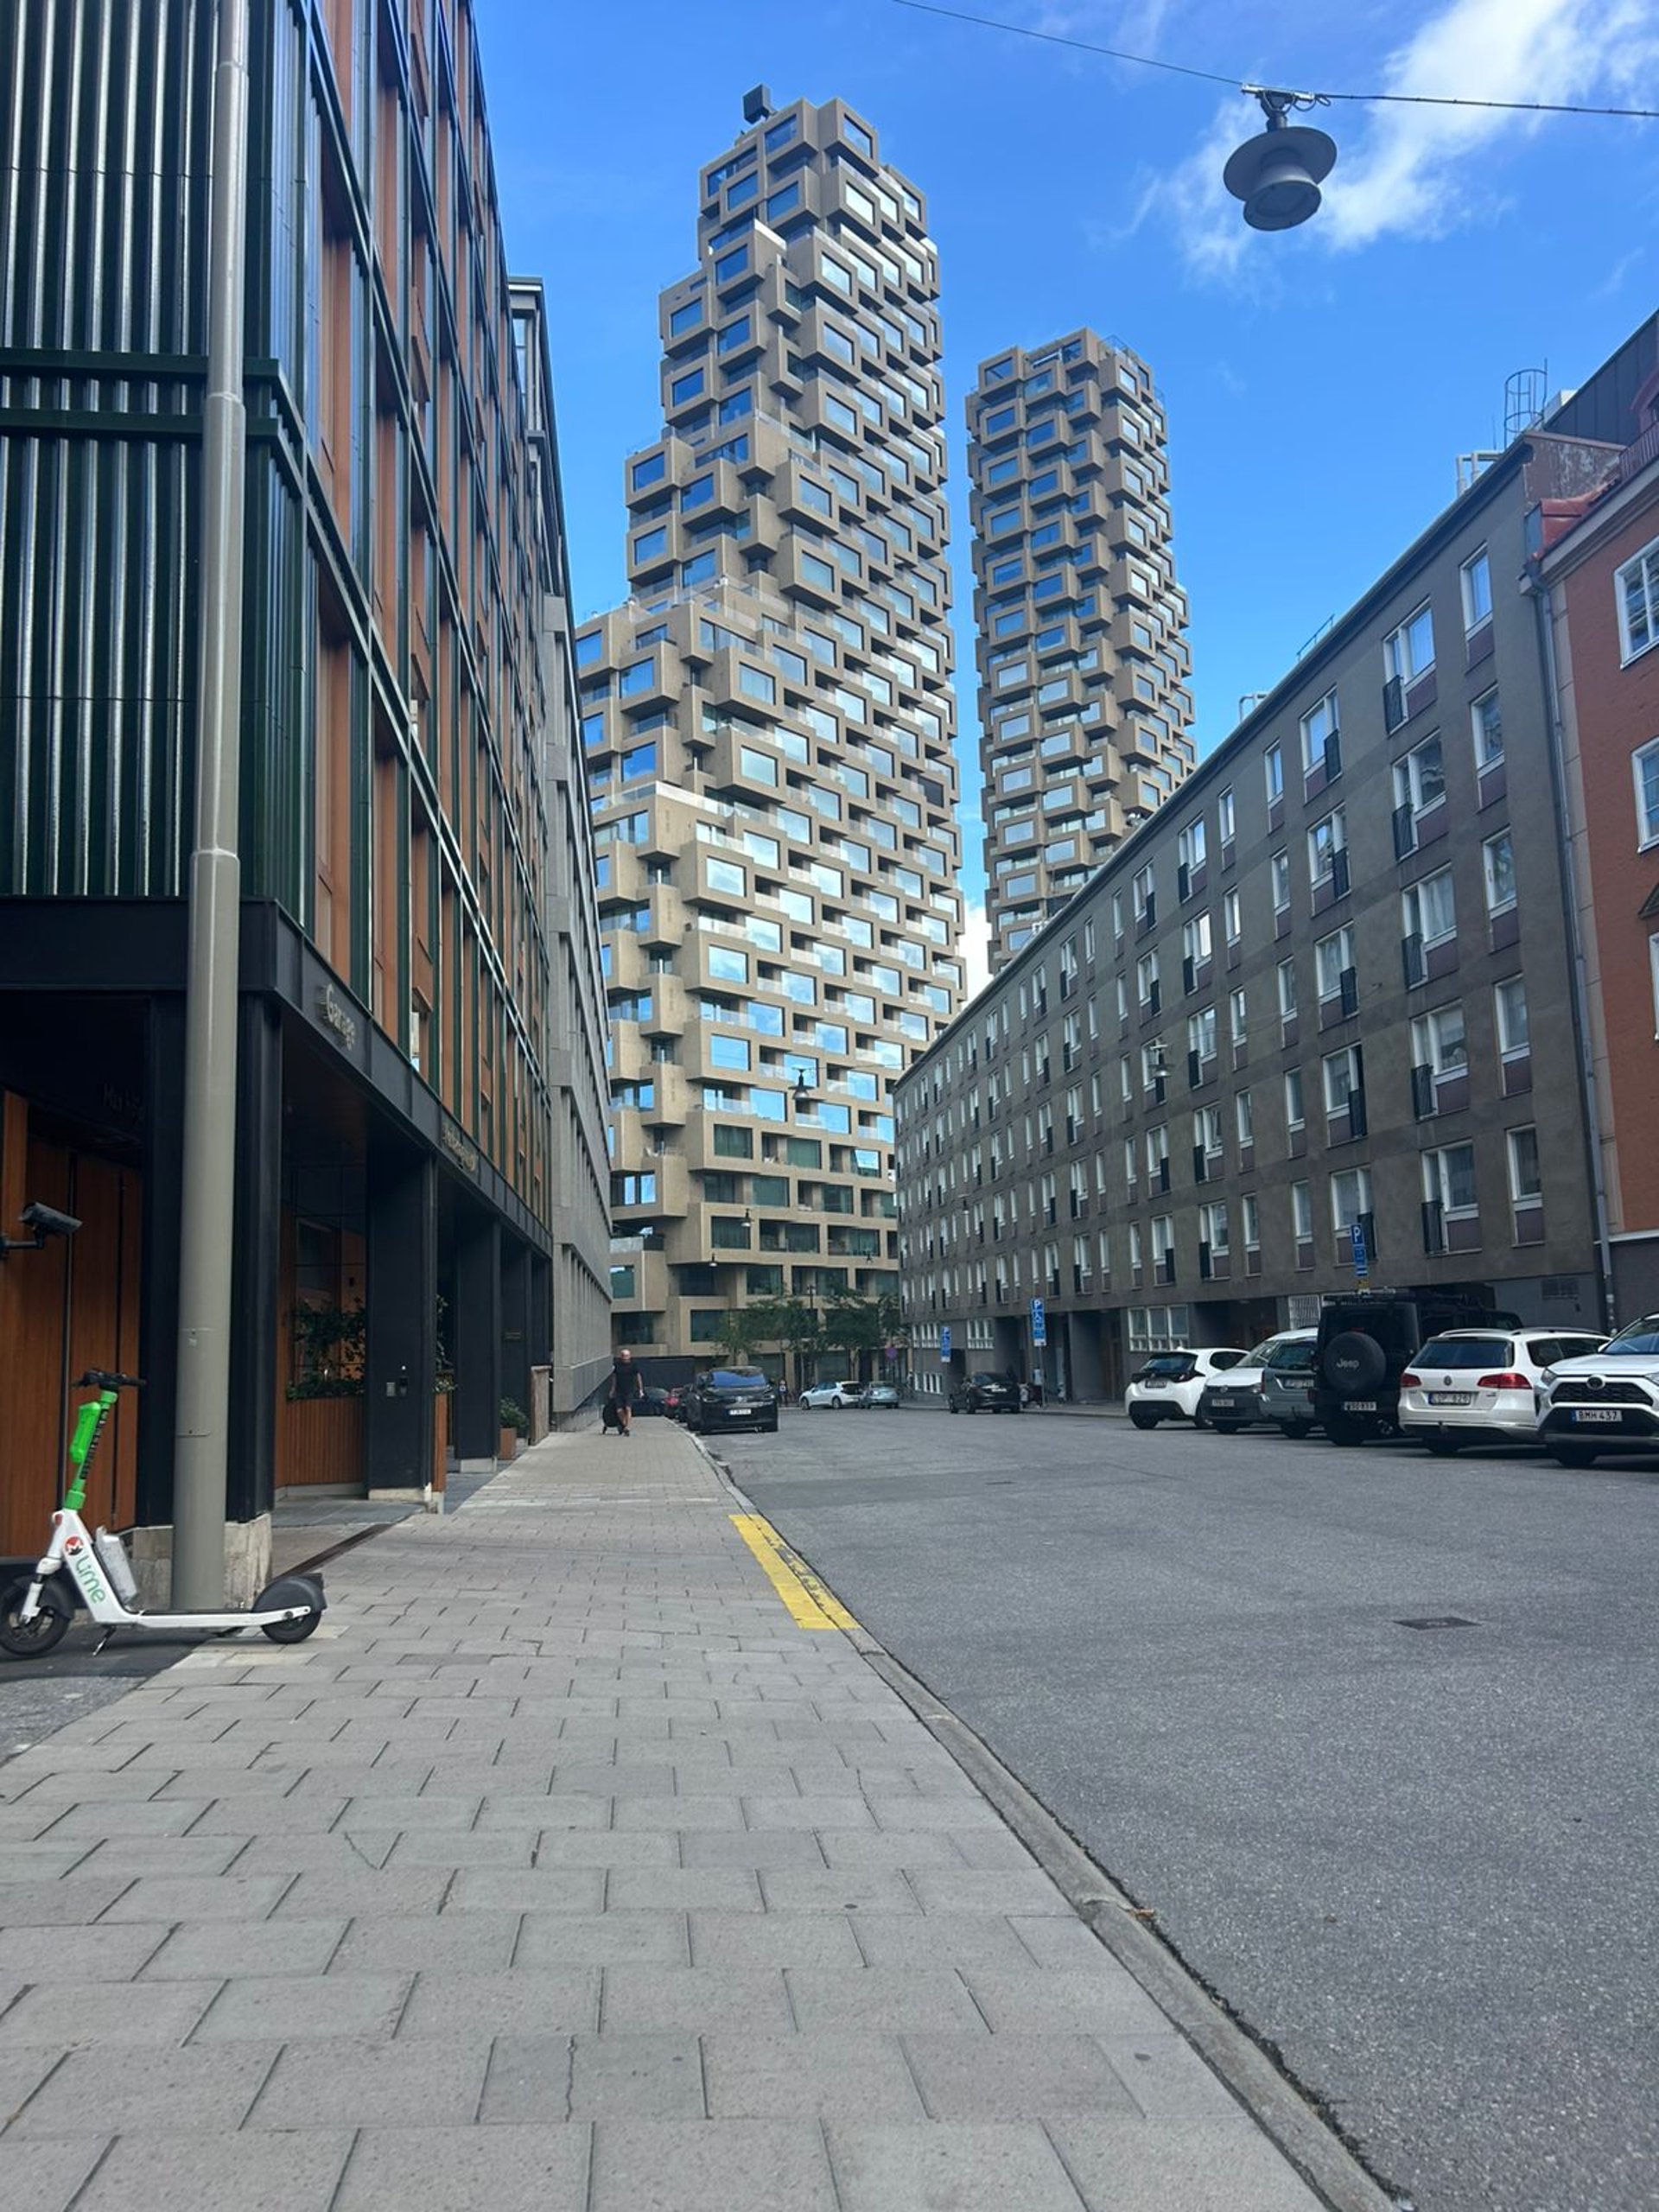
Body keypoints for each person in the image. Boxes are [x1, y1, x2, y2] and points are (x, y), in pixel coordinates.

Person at [607, 1346, 642, 1439]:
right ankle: (624, 1424)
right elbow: (614, 1378)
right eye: (623, 1356)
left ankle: (627, 1427)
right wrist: (612, 1390)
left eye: (626, 1356)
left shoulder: (634, 1365)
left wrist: (640, 1390)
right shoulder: (617, 1365)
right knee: (619, 1410)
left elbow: (638, 1377)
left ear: (629, 1356)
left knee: (628, 1408)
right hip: (619, 1391)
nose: (625, 1357)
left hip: (630, 1390)